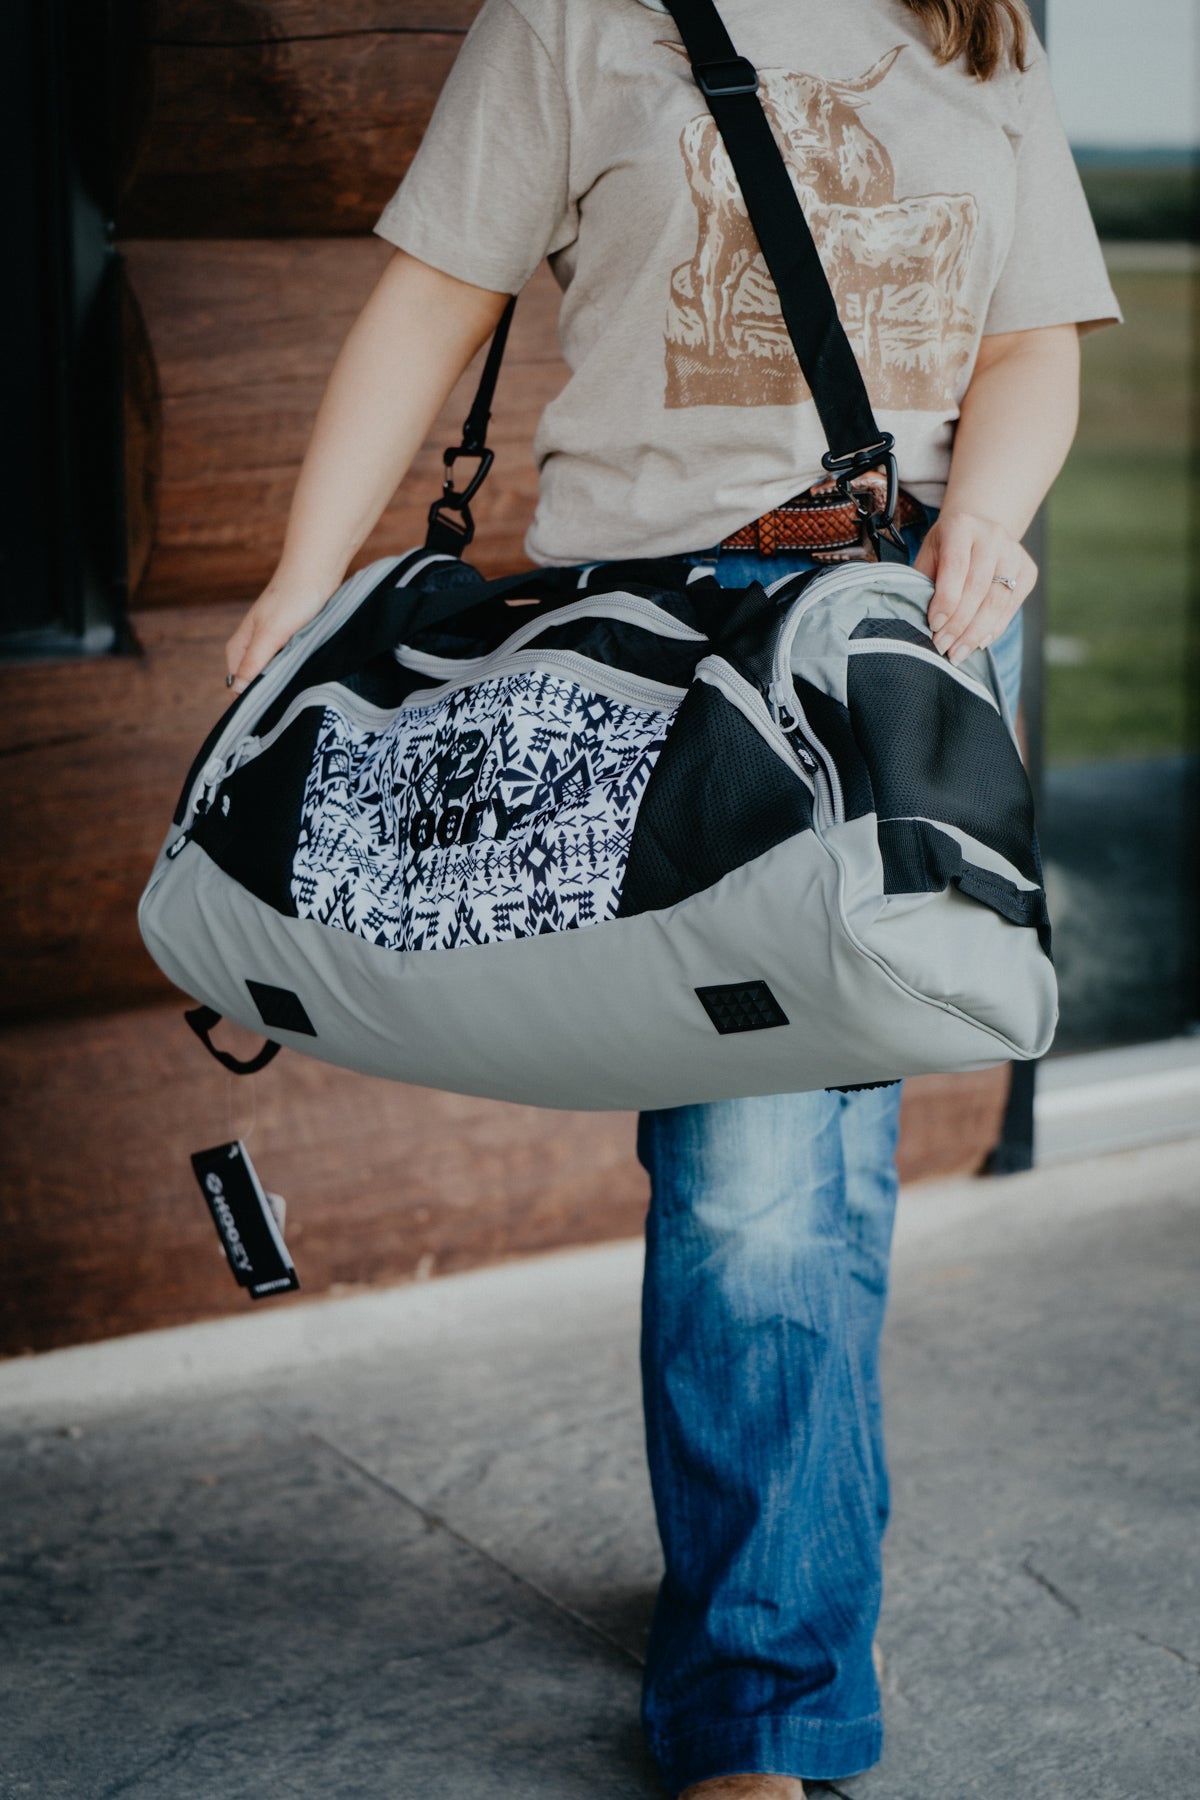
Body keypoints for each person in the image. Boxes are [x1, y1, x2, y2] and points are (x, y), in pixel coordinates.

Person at [224, 1, 1120, 1792]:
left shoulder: (979, 18)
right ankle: (768, 1672)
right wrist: (296, 590)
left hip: (895, 642)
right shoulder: (573, 11)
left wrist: (986, 516)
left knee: (790, 1149)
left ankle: (764, 1663)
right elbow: (434, 293)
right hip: (663, 649)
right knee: (769, 1163)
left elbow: (1032, 338)